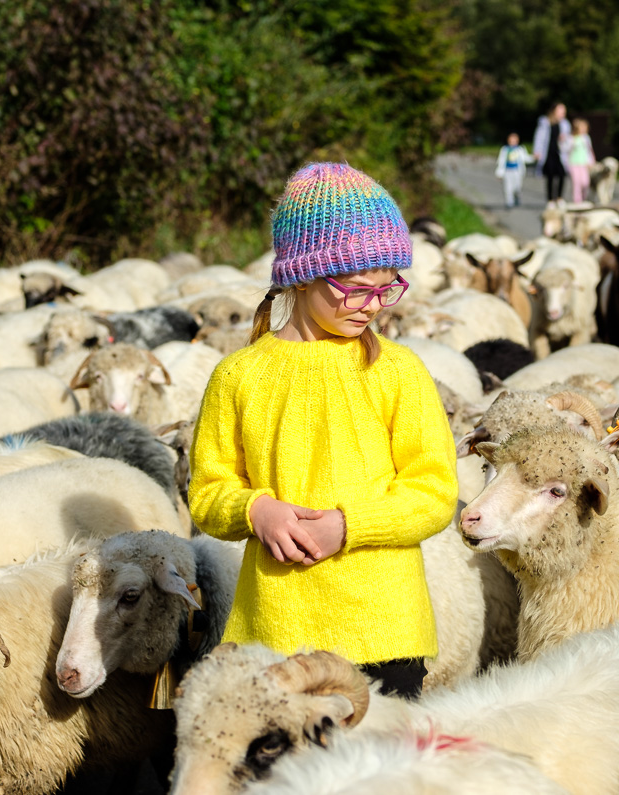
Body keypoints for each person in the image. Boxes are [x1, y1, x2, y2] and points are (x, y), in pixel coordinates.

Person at [188, 162, 459, 700]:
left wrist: (347, 525)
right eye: (357, 289)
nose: (374, 306)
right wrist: (254, 510)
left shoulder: (398, 371)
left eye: (388, 289)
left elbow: (434, 492)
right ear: (303, 276)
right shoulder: (239, 375)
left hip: (385, 631)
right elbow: (207, 493)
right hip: (275, 633)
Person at [533, 102, 571, 204]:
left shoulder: (565, 124)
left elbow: (569, 139)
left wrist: (564, 139)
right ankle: (550, 199)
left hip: (560, 153)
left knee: (562, 174)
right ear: (554, 111)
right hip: (548, 153)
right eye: (560, 110)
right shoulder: (545, 122)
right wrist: (537, 151)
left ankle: (559, 197)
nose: (563, 113)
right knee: (550, 176)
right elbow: (539, 138)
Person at [495, 132, 531, 208]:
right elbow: (501, 161)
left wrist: (534, 157)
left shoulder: (520, 149)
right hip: (508, 171)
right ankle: (509, 202)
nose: (512, 142)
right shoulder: (505, 149)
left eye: (514, 140)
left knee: (517, 187)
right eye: (511, 140)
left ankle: (516, 197)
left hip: (517, 171)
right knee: (507, 187)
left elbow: (526, 158)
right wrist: (499, 173)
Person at [566, 118, 596, 203]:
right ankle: (577, 201)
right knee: (576, 183)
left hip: (584, 164)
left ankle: (583, 199)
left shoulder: (586, 138)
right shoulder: (572, 138)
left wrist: (591, 161)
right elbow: (566, 149)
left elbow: (589, 150)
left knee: (585, 182)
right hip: (574, 163)